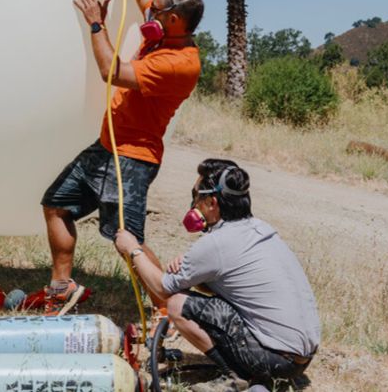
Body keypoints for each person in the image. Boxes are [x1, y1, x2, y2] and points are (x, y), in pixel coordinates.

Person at [40, 0, 204, 315]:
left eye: (155, 12)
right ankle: (62, 288)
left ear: (173, 19)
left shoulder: (180, 63)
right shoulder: (165, 31)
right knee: (56, 204)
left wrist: (96, 24)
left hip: (133, 157)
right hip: (106, 146)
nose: (148, 15)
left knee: (125, 238)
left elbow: (112, 72)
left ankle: (169, 306)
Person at [113, 159, 321, 390]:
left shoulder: (217, 244)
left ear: (212, 203)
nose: (193, 204)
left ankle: (235, 375)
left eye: (196, 196)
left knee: (177, 304)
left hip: (276, 360)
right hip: (302, 358)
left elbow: (162, 288)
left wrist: (132, 249)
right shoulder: (260, 228)